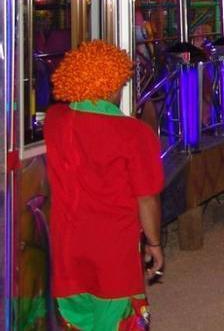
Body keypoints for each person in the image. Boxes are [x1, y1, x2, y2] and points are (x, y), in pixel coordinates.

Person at [45, 40, 164, 330]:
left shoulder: (55, 121)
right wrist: (154, 243)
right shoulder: (135, 134)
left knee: (77, 322)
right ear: (111, 85)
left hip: (67, 251)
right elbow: (146, 199)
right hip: (114, 255)